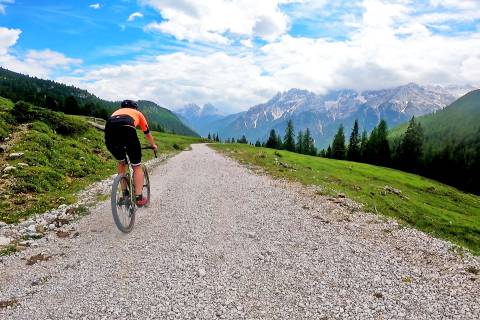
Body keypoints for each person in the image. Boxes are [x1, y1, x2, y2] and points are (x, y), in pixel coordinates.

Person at [104, 100, 157, 206]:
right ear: (135, 108)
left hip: (110, 130)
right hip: (128, 129)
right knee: (137, 166)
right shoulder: (138, 113)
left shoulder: (115, 112)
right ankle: (139, 198)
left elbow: (114, 127)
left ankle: (124, 194)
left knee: (121, 162)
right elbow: (147, 133)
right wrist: (154, 145)